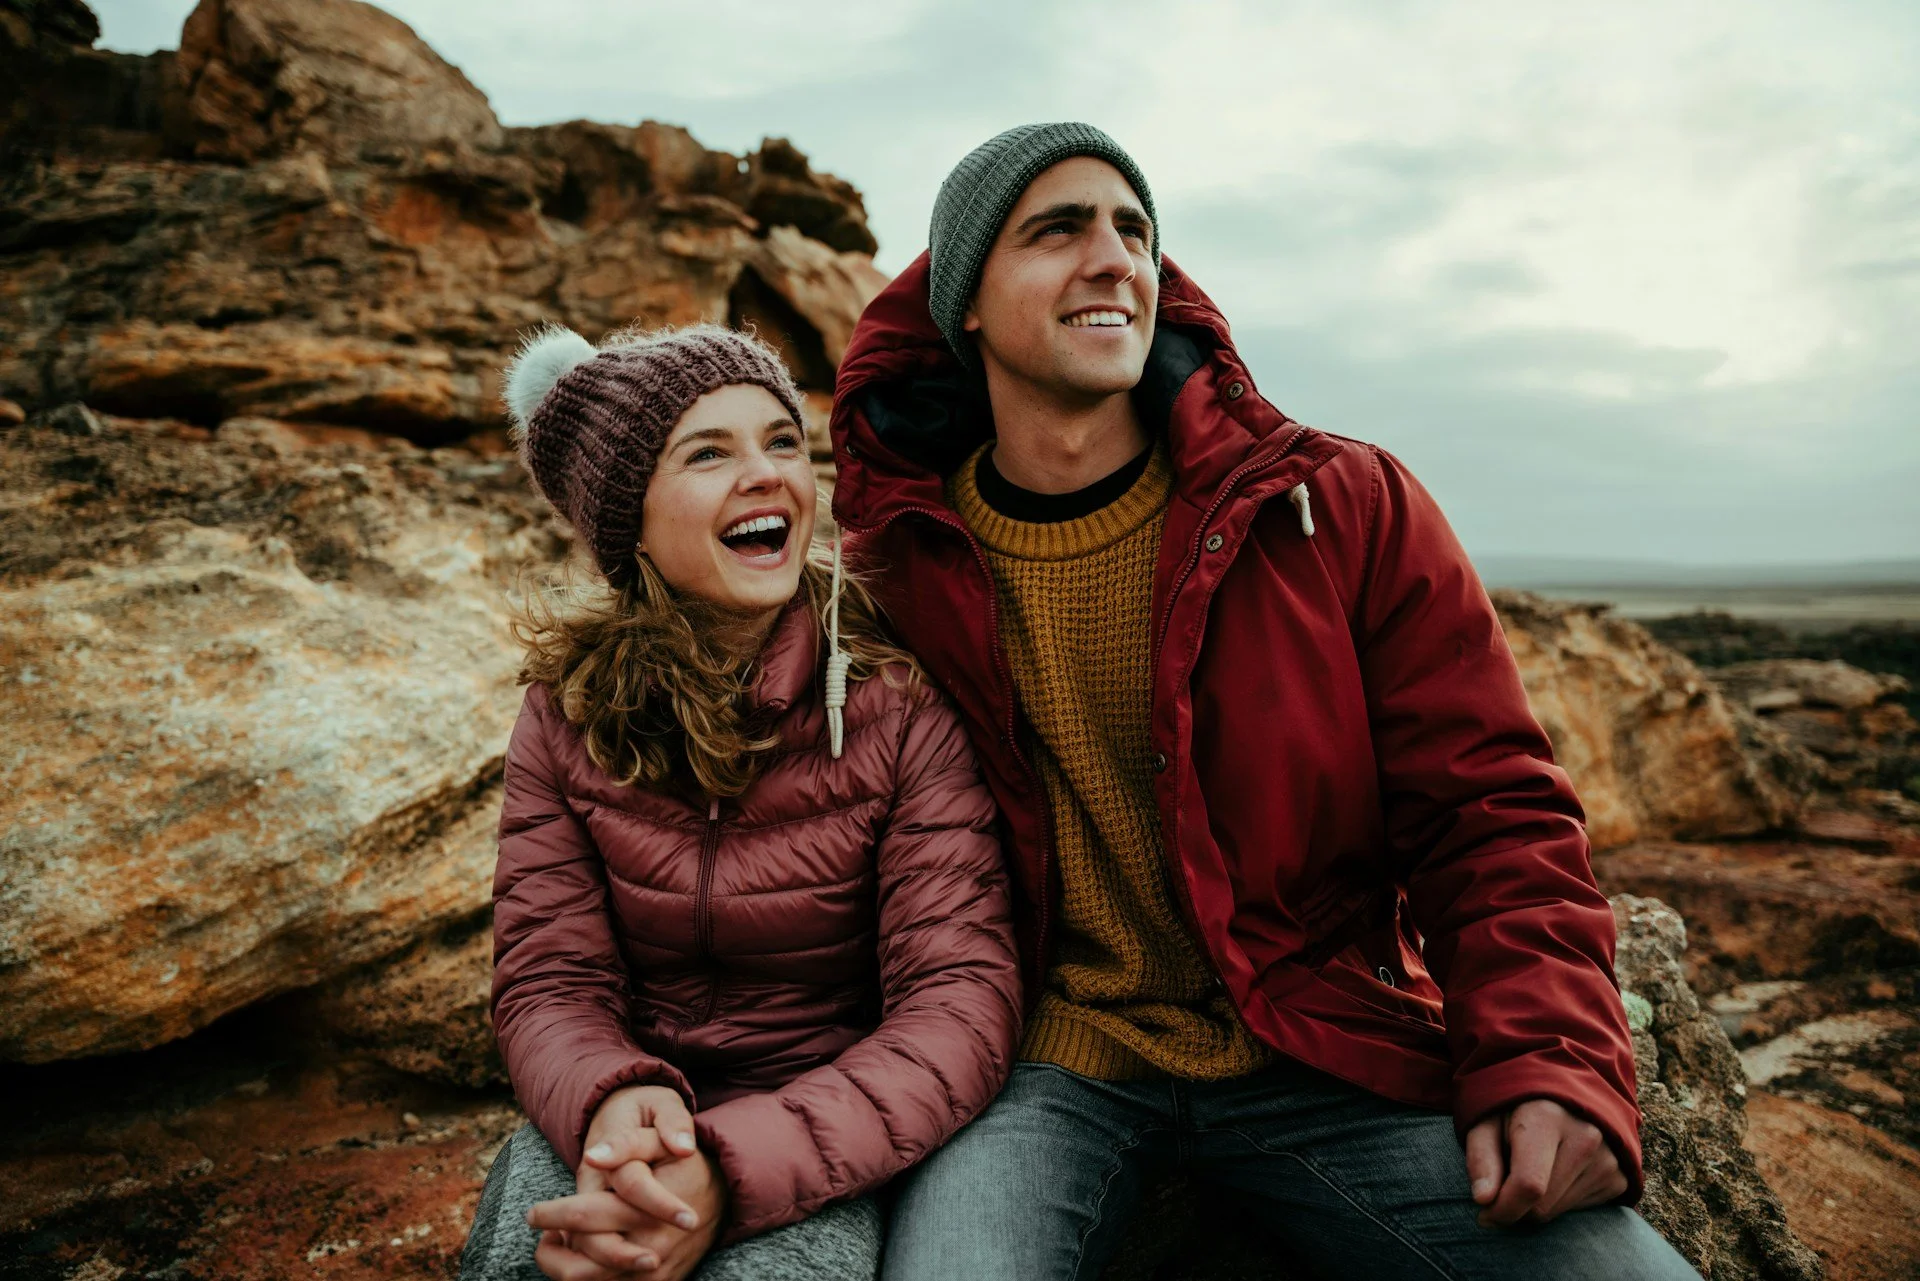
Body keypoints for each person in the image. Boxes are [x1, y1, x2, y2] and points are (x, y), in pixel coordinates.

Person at [827, 123, 1702, 1280]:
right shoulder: (892, 568)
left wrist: (1550, 1060)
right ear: (965, 304)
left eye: (1134, 231)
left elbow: (1489, 811)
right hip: (1043, 1069)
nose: (1114, 260)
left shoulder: (1338, 505)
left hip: (1321, 1048)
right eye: (1057, 231)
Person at [458, 323, 1021, 1281]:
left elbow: (958, 1003)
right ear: (626, 518)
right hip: (618, 1116)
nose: (766, 475)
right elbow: (550, 978)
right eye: (709, 452)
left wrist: (732, 1164)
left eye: (783, 440)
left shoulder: (896, 695)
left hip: (826, 1131)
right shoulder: (568, 710)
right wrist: (611, 1098)